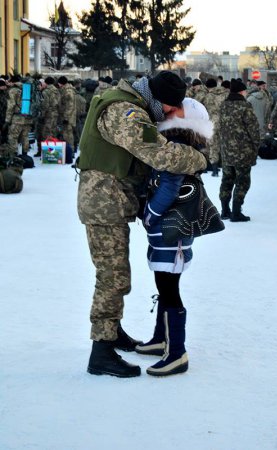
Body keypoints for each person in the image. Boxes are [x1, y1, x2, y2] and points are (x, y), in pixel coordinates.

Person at [77, 71, 208, 378]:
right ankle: (102, 351)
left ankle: (113, 332)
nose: (166, 114)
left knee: (115, 273)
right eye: (167, 107)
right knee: (113, 277)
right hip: (104, 203)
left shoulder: (126, 102)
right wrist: (199, 160)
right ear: (156, 98)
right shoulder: (125, 112)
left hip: (110, 200)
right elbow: (160, 153)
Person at [135, 98, 213, 376]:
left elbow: (169, 186)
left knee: (169, 290)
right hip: (168, 232)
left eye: (174, 109)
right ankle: (161, 339)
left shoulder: (177, 145)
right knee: (164, 285)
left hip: (171, 231)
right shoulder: (178, 142)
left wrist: (150, 214)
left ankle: (177, 353)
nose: (167, 109)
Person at [218, 78, 260, 222]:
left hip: (226, 150)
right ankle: (236, 212)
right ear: (242, 91)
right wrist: (256, 145)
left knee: (227, 179)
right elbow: (253, 129)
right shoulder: (244, 106)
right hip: (243, 151)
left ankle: (224, 210)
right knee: (242, 181)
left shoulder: (223, 105)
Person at [35, 77, 59, 157]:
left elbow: (45, 105)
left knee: (46, 133)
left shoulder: (46, 92)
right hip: (55, 114)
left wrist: (42, 114)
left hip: (48, 115)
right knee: (53, 132)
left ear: (46, 83)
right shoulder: (56, 90)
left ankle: (47, 154)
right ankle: (54, 154)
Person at [57, 76, 76, 152]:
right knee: (65, 134)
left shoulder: (68, 92)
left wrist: (66, 118)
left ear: (61, 83)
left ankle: (70, 152)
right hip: (66, 116)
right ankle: (67, 151)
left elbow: (70, 106)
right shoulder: (65, 90)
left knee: (68, 135)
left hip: (68, 118)